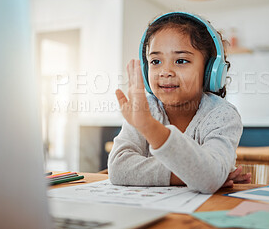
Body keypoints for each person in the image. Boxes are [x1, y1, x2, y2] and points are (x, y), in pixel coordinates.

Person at [108, 12, 251, 194]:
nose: (165, 71)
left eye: (181, 60)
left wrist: (148, 126)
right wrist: (194, 175)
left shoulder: (222, 115)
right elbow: (119, 169)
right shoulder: (144, 109)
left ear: (209, 71)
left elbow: (210, 178)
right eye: (156, 61)